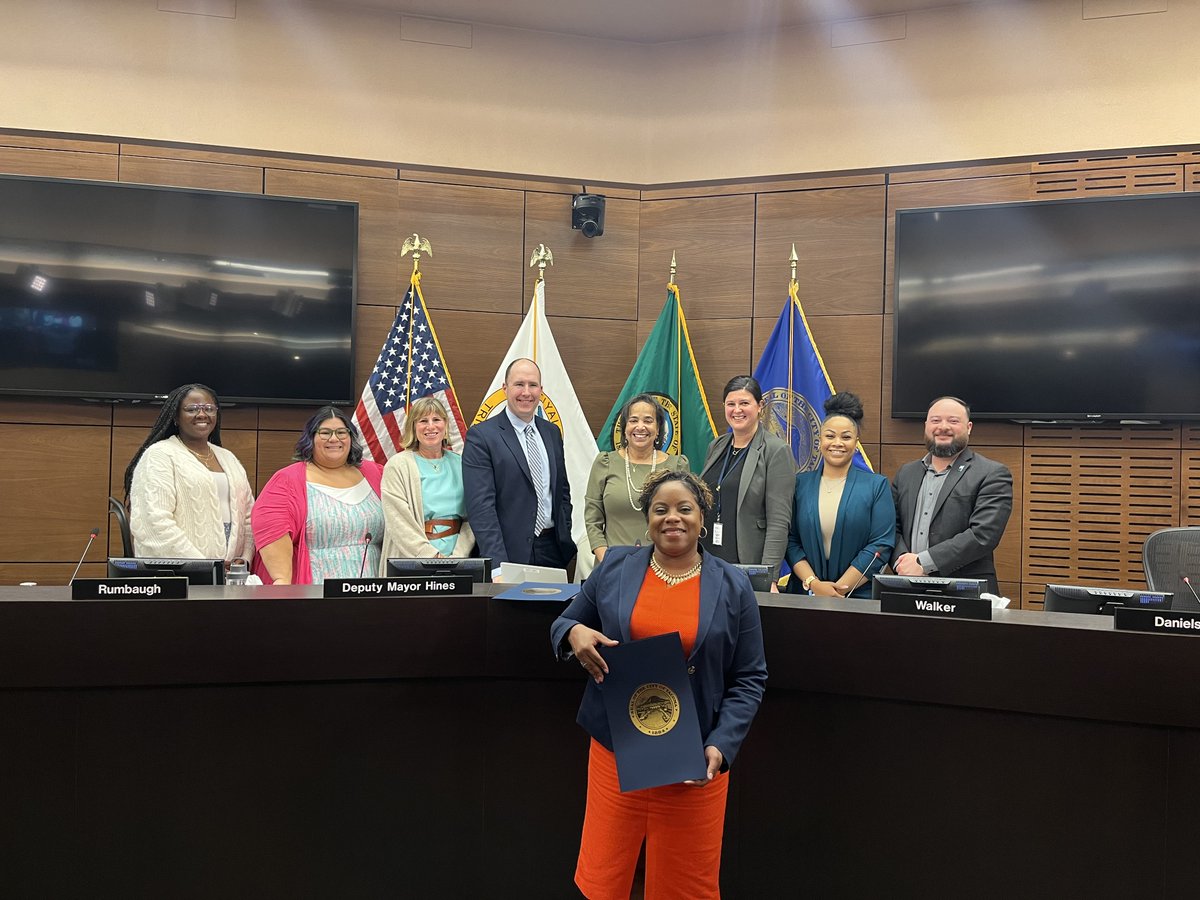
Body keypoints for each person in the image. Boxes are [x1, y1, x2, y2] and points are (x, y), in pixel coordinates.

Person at [550, 470, 767, 900]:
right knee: (605, 877)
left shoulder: (733, 585)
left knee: (686, 885)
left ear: (701, 518)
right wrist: (573, 635)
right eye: (660, 509)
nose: (673, 518)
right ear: (647, 518)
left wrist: (721, 746)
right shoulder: (614, 567)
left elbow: (750, 676)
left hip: (694, 764)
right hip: (617, 757)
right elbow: (565, 622)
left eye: (684, 509)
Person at [463, 357, 575, 576]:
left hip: (553, 551)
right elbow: (481, 508)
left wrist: (565, 533)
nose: (526, 392)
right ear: (505, 388)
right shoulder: (482, 437)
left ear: (541, 390)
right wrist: (497, 565)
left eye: (533, 385)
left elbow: (562, 492)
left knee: (551, 612)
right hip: (507, 554)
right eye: (519, 384)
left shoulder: (552, 433)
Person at [891, 395, 1013, 594]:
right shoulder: (906, 473)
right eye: (935, 420)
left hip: (965, 590)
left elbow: (983, 535)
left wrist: (923, 563)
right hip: (908, 586)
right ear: (926, 426)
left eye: (953, 421)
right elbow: (891, 527)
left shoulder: (992, 473)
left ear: (969, 427)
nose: (943, 427)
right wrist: (902, 562)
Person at [251, 406, 384, 584]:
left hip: (373, 590)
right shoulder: (287, 481)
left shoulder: (376, 473)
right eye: (325, 433)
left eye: (341, 432)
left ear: (351, 438)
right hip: (316, 595)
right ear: (311, 438)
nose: (334, 438)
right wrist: (282, 580)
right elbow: (271, 530)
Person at [125, 383, 254, 565]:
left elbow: (250, 516)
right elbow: (154, 523)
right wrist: (203, 567)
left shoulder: (228, 458)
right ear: (176, 417)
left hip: (231, 575)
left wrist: (244, 558)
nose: (202, 414)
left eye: (209, 408)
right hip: (180, 576)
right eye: (192, 409)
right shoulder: (159, 455)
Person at [785, 392, 895, 599]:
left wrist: (837, 591)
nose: (837, 443)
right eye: (830, 436)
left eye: (846, 437)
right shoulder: (799, 484)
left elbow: (880, 544)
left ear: (856, 442)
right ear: (820, 439)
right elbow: (790, 540)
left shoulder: (876, 486)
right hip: (804, 594)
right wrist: (814, 584)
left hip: (857, 596)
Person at [699, 375, 794, 583]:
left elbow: (779, 522)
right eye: (731, 404)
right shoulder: (716, 446)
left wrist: (769, 577)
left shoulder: (776, 451)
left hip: (747, 565)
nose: (737, 410)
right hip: (706, 559)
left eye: (744, 403)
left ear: (760, 406)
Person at [584, 393, 689, 565]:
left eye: (648, 421)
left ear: (658, 429)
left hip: (662, 568)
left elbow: (683, 522)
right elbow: (592, 520)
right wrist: (607, 561)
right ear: (625, 428)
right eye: (633, 420)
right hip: (612, 566)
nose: (640, 427)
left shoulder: (676, 466)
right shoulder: (605, 463)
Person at [379, 396, 475, 564]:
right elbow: (398, 522)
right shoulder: (398, 466)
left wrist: (458, 556)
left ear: (445, 425)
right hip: (411, 558)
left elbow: (473, 517)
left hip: (458, 557)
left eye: (436, 419)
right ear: (413, 427)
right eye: (423, 421)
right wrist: (432, 557)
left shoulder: (461, 464)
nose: (430, 426)